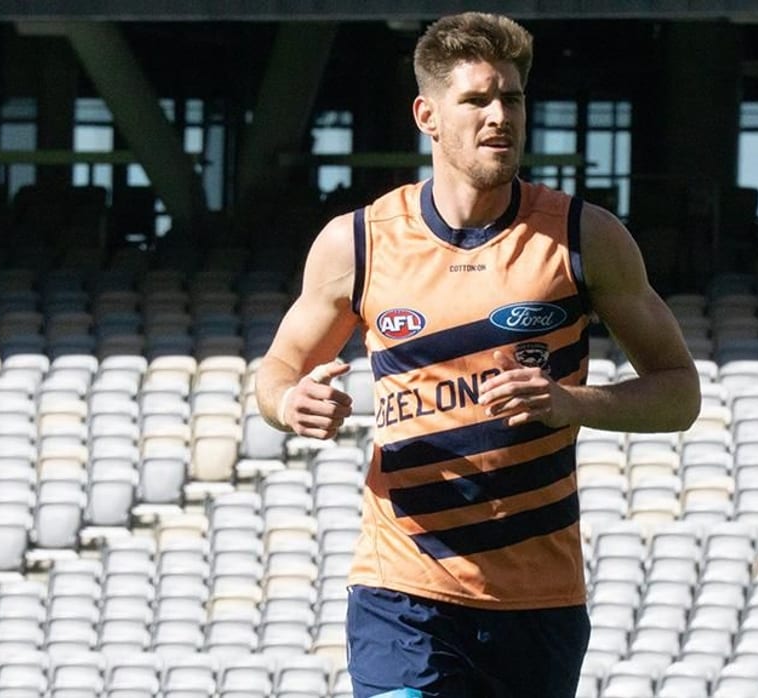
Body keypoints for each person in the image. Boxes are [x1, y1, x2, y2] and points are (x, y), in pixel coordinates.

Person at [256, 11, 700, 697]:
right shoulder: (360, 242)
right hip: (403, 591)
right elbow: (277, 371)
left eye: (512, 99)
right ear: (427, 116)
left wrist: (569, 403)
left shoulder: (584, 237)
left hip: (539, 601)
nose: (500, 117)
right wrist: (290, 402)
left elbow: (679, 394)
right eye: (476, 100)